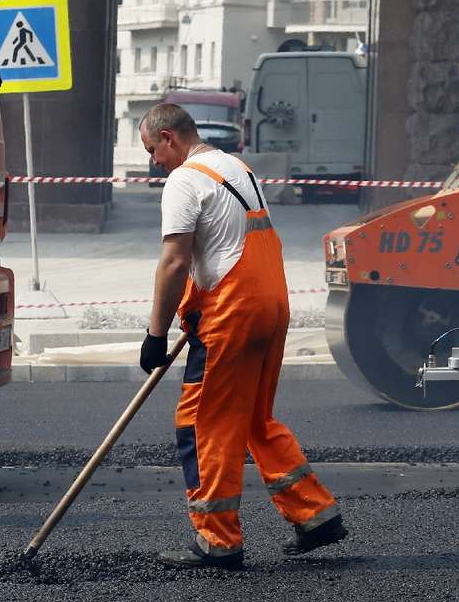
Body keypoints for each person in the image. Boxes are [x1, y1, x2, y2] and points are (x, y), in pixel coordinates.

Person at [139, 103, 346, 569]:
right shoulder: (236, 167)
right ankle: (315, 515)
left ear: (169, 137)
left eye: (153, 149)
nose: (154, 161)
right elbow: (224, 247)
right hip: (270, 306)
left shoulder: (184, 180)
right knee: (253, 417)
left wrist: (155, 334)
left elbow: (175, 262)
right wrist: (193, 310)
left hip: (232, 314)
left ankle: (217, 539)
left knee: (201, 423)